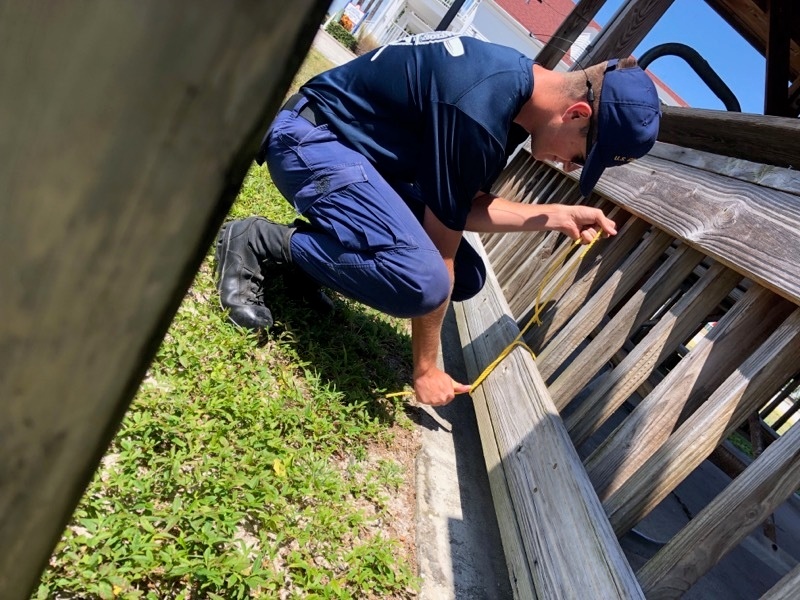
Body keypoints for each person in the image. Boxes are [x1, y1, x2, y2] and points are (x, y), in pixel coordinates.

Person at [214, 32, 660, 407]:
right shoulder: (479, 109)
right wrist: (426, 369)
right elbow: (440, 246)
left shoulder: (513, 90)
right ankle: (259, 241)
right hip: (309, 141)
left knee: (467, 277)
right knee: (426, 281)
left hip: (356, 158)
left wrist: (553, 215)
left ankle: (303, 263)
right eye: (582, 156)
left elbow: (461, 203)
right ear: (577, 114)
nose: (570, 167)